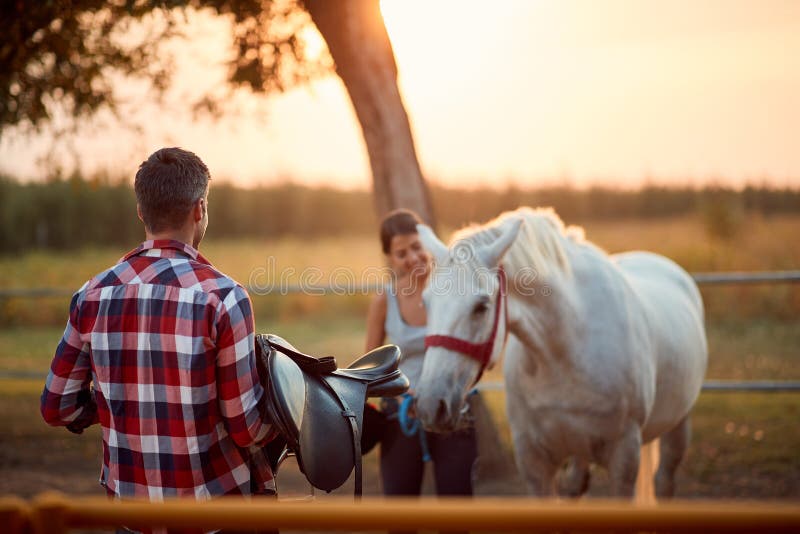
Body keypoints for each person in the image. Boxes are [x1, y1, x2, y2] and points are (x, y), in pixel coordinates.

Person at [40, 147, 277, 509]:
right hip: (215, 511)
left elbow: (57, 406)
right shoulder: (224, 298)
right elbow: (246, 428)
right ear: (200, 209)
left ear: (141, 212)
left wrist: (108, 409)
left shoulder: (91, 295)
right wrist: (287, 417)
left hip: (130, 511)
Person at [364, 209, 478, 498]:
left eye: (417, 247)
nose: (413, 258)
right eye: (401, 253)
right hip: (402, 417)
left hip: (453, 411)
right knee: (401, 513)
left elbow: (477, 352)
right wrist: (402, 397)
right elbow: (369, 368)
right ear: (390, 258)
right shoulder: (384, 301)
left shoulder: (456, 293)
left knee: (457, 511)